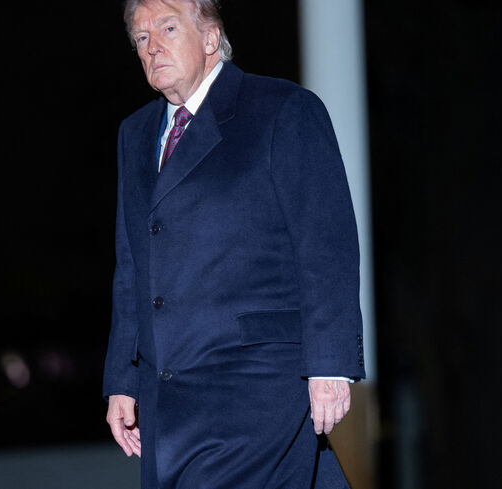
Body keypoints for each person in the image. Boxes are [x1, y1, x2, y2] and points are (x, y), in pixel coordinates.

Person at [103, 1, 365, 487]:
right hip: (167, 396)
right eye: (140, 38)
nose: (152, 46)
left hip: (257, 382)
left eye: (167, 27)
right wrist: (122, 378)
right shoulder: (135, 134)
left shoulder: (282, 109)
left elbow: (325, 243)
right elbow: (131, 265)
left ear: (209, 38)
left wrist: (329, 364)